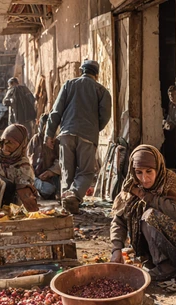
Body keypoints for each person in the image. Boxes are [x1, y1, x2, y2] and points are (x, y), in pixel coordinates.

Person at [110, 145, 176, 281]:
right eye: (139, 172)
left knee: (149, 216)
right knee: (142, 215)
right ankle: (154, 260)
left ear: (157, 168)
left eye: (149, 171)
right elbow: (119, 219)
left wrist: (148, 197)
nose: (144, 178)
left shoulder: (169, 181)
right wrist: (116, 249)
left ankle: (166, 265)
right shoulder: (132, 186)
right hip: (159, 241)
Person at [44, 59, 113, 214]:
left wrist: (49, 134)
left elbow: (55, 112)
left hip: (66, 134)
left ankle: (66, 205)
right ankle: (73, 196)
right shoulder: (102, 91)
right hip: (87, 137)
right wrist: (94, 129)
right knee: (86, 172)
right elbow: (105, 116)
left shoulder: (69, 85)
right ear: (97, 74)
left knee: (66, 171)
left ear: (81, 70)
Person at [0, 123, 39, 211]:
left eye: (11, 144)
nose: (6, 146)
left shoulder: (23, 165)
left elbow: (23, 193)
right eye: (4, 142)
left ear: (20, 146)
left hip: (9, 205)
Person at [28, 114, 61, 200]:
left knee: (50, 190)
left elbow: (62, 160)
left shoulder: (57, 142)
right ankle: (34, 184)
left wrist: (51, 172)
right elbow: (27, 157)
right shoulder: (35, 139)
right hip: (36, 177)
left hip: (51, 179)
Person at [159, 85, 176, 171]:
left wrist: (170, 124)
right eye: (170, 95)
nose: (171, 97)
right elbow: (170, 118)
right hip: (170, 130)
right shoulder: (170, 105)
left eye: (173, 95)